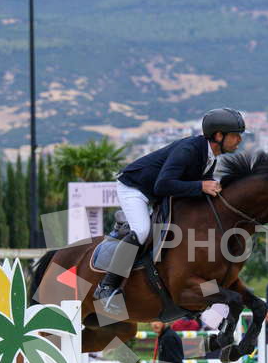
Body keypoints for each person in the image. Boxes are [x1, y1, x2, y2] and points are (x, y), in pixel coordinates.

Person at [93, 108, 247, 315]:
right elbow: (162, 185)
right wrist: (201, 186)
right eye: (235, 135)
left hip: (157, 194)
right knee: (142, 231)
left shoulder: (210, 156)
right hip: (135, 188)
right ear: (219, 136)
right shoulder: (189, 150)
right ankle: (107, 286)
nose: (239, 140)